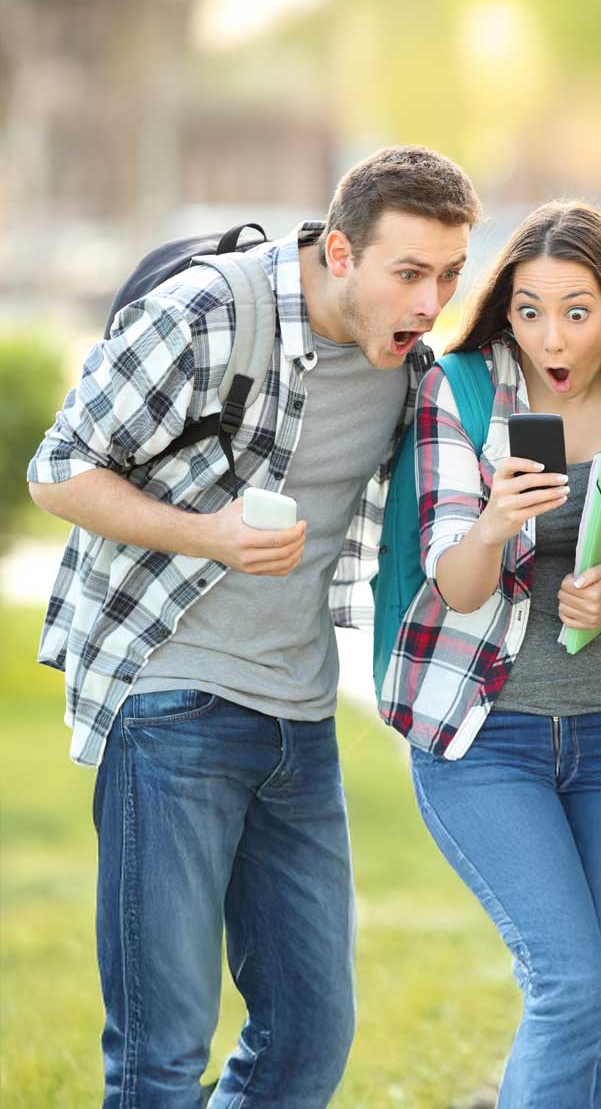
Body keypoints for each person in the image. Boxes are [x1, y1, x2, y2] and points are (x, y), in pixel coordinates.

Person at [26, 145, 481, 1108]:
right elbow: (57, 466)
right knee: (160, 1055)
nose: (430, 300)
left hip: (298, 719)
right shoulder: (208, 313)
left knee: (311, 1037)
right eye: (410, 273)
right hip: (169, 699)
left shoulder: (409, 365)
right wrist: (210, 536)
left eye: (449, 275)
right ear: (342, 253)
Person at [390, 200, 601, 1108]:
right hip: (487, 737)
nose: (551, 337)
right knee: (571, 989)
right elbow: (457, 585)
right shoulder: (457, 387)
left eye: (576, 310)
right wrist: (496, 521)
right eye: (529, 310)